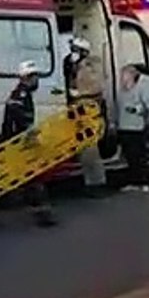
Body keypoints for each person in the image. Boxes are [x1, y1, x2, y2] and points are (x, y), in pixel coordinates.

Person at [0, 60, 58, 227]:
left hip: (16, 140)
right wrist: (31, 136)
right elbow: (20, 120)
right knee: (34, 179)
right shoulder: (21, 95)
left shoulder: (19, 94)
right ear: (27, 78)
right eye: (35, 77)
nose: (37, 80)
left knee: (27, 179)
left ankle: (40, 212)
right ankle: (43, 215)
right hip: (22, 142)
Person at [64, 36, 109, 197]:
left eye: (75, 50)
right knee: (84, 149)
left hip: (89, 112)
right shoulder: (75, 65)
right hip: (79, 111)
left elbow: (94, 87)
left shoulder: (91, 66)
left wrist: (76, 93)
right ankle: (91, 182)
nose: (72, 52)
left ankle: (97, 183)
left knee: (90, 149)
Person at [117, 65, 149, 192]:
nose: (122, 77)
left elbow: (146, 106)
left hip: (136, 128)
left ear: (132, 76)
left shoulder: (139, 89)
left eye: (125, 75)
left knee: (139, 156)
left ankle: (143, 182)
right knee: (129, 157)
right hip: (124, 127)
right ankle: (132, 181)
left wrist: (135, 109)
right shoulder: (121, 92)